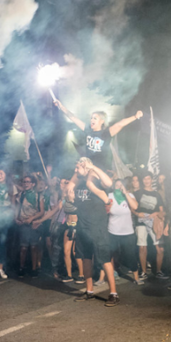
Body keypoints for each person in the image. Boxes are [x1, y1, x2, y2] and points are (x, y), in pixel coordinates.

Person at [69, 158, 120, 306]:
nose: (76, 168)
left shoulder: (96, 181)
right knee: (86, 258)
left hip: (97, 227)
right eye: (76, 165)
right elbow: (68, 189)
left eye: (79, 166)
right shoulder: (79, 182)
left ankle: (113, 294)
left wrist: (92, 167)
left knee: (104, 259)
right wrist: (78, 171)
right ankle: (89, 291)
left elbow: (109, 183)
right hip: (83, 226)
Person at [54, 101, 143, 170]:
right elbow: (73, 118)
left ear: (102, 121)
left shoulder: (106, 133)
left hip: (99, 167)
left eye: (95, 118)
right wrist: (61, 107)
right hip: (87, 166)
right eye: (91, 118)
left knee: (90, 183)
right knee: (72, 184)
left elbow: (120, 124)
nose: (92, 120)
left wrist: (135, 116)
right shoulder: (88, 130)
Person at [107, 179, 142, 285]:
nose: (118, 187)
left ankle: (136, 277)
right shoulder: (109, 196)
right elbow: (105, 210)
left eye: (121, 185)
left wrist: (125, 193)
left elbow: (135, 206)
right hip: (112, 231)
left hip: (127, 232)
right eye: (116, 185)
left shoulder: (129, 195)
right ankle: (107, 275)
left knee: (130, 254)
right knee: (109, 254)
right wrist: (108, 207)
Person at [134, 172, 167, 279]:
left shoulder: (157, 194)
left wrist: (156, 213)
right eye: (144, 179)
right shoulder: (137, 193)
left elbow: (162, 211)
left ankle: (158, 271)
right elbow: (132, 207)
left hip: (154, 222)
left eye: (148, 178)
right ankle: (144, 272)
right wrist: (137, 214)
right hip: (141, 222)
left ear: (152, 180)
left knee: (160, 248)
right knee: (142, 247)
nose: (146, 181)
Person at [16, 175, 44, 278]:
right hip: (23, 223)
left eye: (28, 182)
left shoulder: (38, 196)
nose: (26, 184)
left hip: (34, 223)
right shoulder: (21, 195)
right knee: (23, 247)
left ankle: (34, 268)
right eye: (24, 182)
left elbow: (42, 211)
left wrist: (31, 219)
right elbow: (17, 208)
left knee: (33, 246)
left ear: (33, 184)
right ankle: (21, 267)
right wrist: (16, 218)